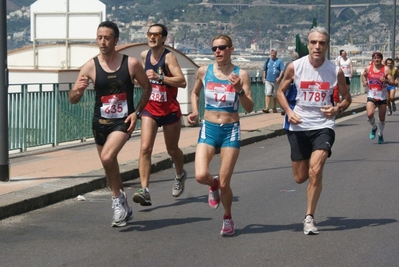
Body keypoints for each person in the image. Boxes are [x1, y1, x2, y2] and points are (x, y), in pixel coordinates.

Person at [69, 21, 152, 227]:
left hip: (122, 122)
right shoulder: (91, 66)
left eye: (107, 38)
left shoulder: (130, 63)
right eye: (99, 37)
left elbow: (147, 88)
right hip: (100, 123)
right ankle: (123, 203)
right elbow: (72, 98)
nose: (102, 42)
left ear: (116, 40)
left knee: (107, 157)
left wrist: (136, 113)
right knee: (109, 165)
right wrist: (77, 91)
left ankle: (116, 201)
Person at [276, 27, 352, 235]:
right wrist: (288, 111)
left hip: (323, 125)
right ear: (308, 44)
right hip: (298, 124)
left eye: (322, 43)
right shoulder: (295, 67)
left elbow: (347, 98)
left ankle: (309, 217)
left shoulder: (335, 70)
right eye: (314, 43)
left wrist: (337, 108)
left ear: (327, 46)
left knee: (315, 170)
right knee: (300, 178)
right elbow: (279, 92)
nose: (318, 47)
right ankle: (312, 176)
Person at [187, 35, 254, 236]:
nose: (217, 51)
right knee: (200, 175)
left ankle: (227, 217)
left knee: (226, 183)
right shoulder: (204, 71)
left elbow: (250, 107)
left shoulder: (240, 74)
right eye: (214, 48)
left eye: (222, 47)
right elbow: (194, 93)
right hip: (209, 127)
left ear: (231, 49)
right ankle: (212, 184)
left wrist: (239, 90)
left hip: (230, 130)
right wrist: (194, 111)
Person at [132, 23, 187, 206]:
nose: (152, 37)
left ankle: (180, 173)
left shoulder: (169, 57)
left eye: (156, 34)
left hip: (169, 110)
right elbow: (143, 81)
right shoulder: (144, 55)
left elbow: (182, 81)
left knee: (172, 149)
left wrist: (160, 77)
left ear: (163, 38)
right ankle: (145, 190)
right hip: (150, 109)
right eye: (150, 34)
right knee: (145, 147)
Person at [361, 52, 396, 144]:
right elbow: (363, 76)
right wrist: (364, 82)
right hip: (371, 95)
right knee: (369, 114)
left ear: (381, 59)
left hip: (382, 97)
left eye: (378, 58)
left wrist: (386, 80)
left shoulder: (386, 69)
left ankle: (380, 134)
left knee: (382, 117)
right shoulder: (368, 68)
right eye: (375, 58)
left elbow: (393, 82)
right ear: (372, 59)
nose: (376, 60)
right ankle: (374, 127)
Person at [262, 49, 284, 113]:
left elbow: (282, 70)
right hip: (268, 80)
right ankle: (267, 108)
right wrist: (264, 78)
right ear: (270, 54)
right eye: (272, 54)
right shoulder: (267, 61)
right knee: (268, 93)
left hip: (276, 80)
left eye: (274, 54)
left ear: (276, 54)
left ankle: (274, 108)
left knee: (275, 95)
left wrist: (279, 77)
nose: (273, 55)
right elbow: (264, 70)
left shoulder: (279, 61)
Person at [281, 51, 299, 116]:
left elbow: (284, 73)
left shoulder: (288, 64)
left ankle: (284, 108)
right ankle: (286, 108)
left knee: (286, 95)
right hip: (293, 83)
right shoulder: (298, 64)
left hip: (290, 83)